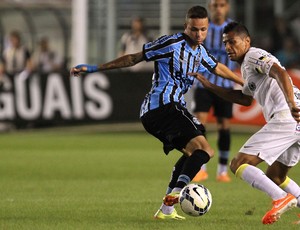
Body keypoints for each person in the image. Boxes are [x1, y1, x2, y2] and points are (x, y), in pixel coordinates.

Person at [70, 6, 243, 220]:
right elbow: (134, 58)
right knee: (205, 150)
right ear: (185, 27)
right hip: (162, 106)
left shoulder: (200, 51)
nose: (199, 35)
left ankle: (166, 210)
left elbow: (217, 67)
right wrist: (95, 68)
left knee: (193, 151)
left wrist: (243, 81)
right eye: (194, 29)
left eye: (203, 30)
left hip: (165, 110)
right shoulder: (170, 44)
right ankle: (178, 194)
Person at [190, 21, 300, 225]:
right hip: (295, 122)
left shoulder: (253, 55)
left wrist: (291, 104)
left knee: (239, 163)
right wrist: (210, 86)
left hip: (287, 116)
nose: (228, 48)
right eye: (225, 44)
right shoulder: (247, 68)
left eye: (232, 42)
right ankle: (287, 195)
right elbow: (244, 99)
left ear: (246, 41)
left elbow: (280, 72)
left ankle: (280, 198)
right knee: (276, 175)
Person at [193, 0, 237, 183]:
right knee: (199, 124)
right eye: (214, 5)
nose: (218, 8)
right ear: (210, 7)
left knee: (223, 126)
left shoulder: (234, 29)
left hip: (225, 86)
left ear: (227, 7)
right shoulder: (203, 29)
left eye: (221, 5)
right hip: (203, 84)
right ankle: (201, 168)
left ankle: (222, 170)